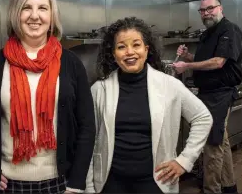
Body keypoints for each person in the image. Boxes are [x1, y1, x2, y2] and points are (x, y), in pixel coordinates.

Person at [0, 0, 95, 194]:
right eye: (26, 8)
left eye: (42, 8)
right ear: (15, 14)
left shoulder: (71, 63)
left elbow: (87, 124)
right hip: (8, 184)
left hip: (60, 184)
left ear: (52, 17)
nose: (34, 16)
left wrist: (76, 183)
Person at [85, 17, 213, 193]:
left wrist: (184, 160)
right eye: (121, 47)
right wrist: (89, 186)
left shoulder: (169, 85)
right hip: (109, 183)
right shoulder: (99, 89)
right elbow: (88, 140)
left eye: (136, 45)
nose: (130, 52)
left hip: (155, 182)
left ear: (146, 49)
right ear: (114, 54)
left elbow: (203, 117)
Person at [173, 0, 242, 193]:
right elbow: (204, 60)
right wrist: (188, 57)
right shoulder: (207, 33)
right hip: (208, 93)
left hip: (220, 94)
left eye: (210, 9)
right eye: (202, 11)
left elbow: (218, 62)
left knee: (212, 145)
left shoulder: (229, 30)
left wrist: (186, 65)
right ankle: (229, 188)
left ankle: (212, 190)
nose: (206, 13)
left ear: (220, 8)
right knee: (221, 142)